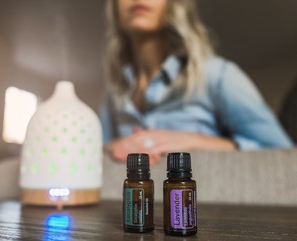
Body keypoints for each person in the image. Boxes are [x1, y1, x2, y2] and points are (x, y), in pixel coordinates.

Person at [100, 0, 293, 164]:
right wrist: (113, 147)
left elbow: (283, 154)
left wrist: (193, 141)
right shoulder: (114, 96)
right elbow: (97, 156)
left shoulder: (218, 75)